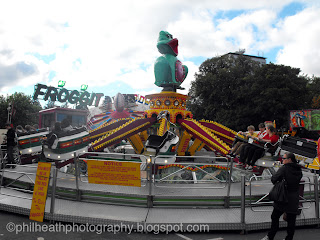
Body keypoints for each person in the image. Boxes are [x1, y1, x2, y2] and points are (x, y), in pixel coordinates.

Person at [261, 152, 302, 240]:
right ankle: (289, 238)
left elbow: (274, 179)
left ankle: (270, 236)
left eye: (284, 158)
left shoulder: (284, 168)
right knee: (291, 220)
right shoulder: (299, 169)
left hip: (283, 197)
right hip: (294, 197)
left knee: (275, 216)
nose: (282, 160)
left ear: (289, 159)